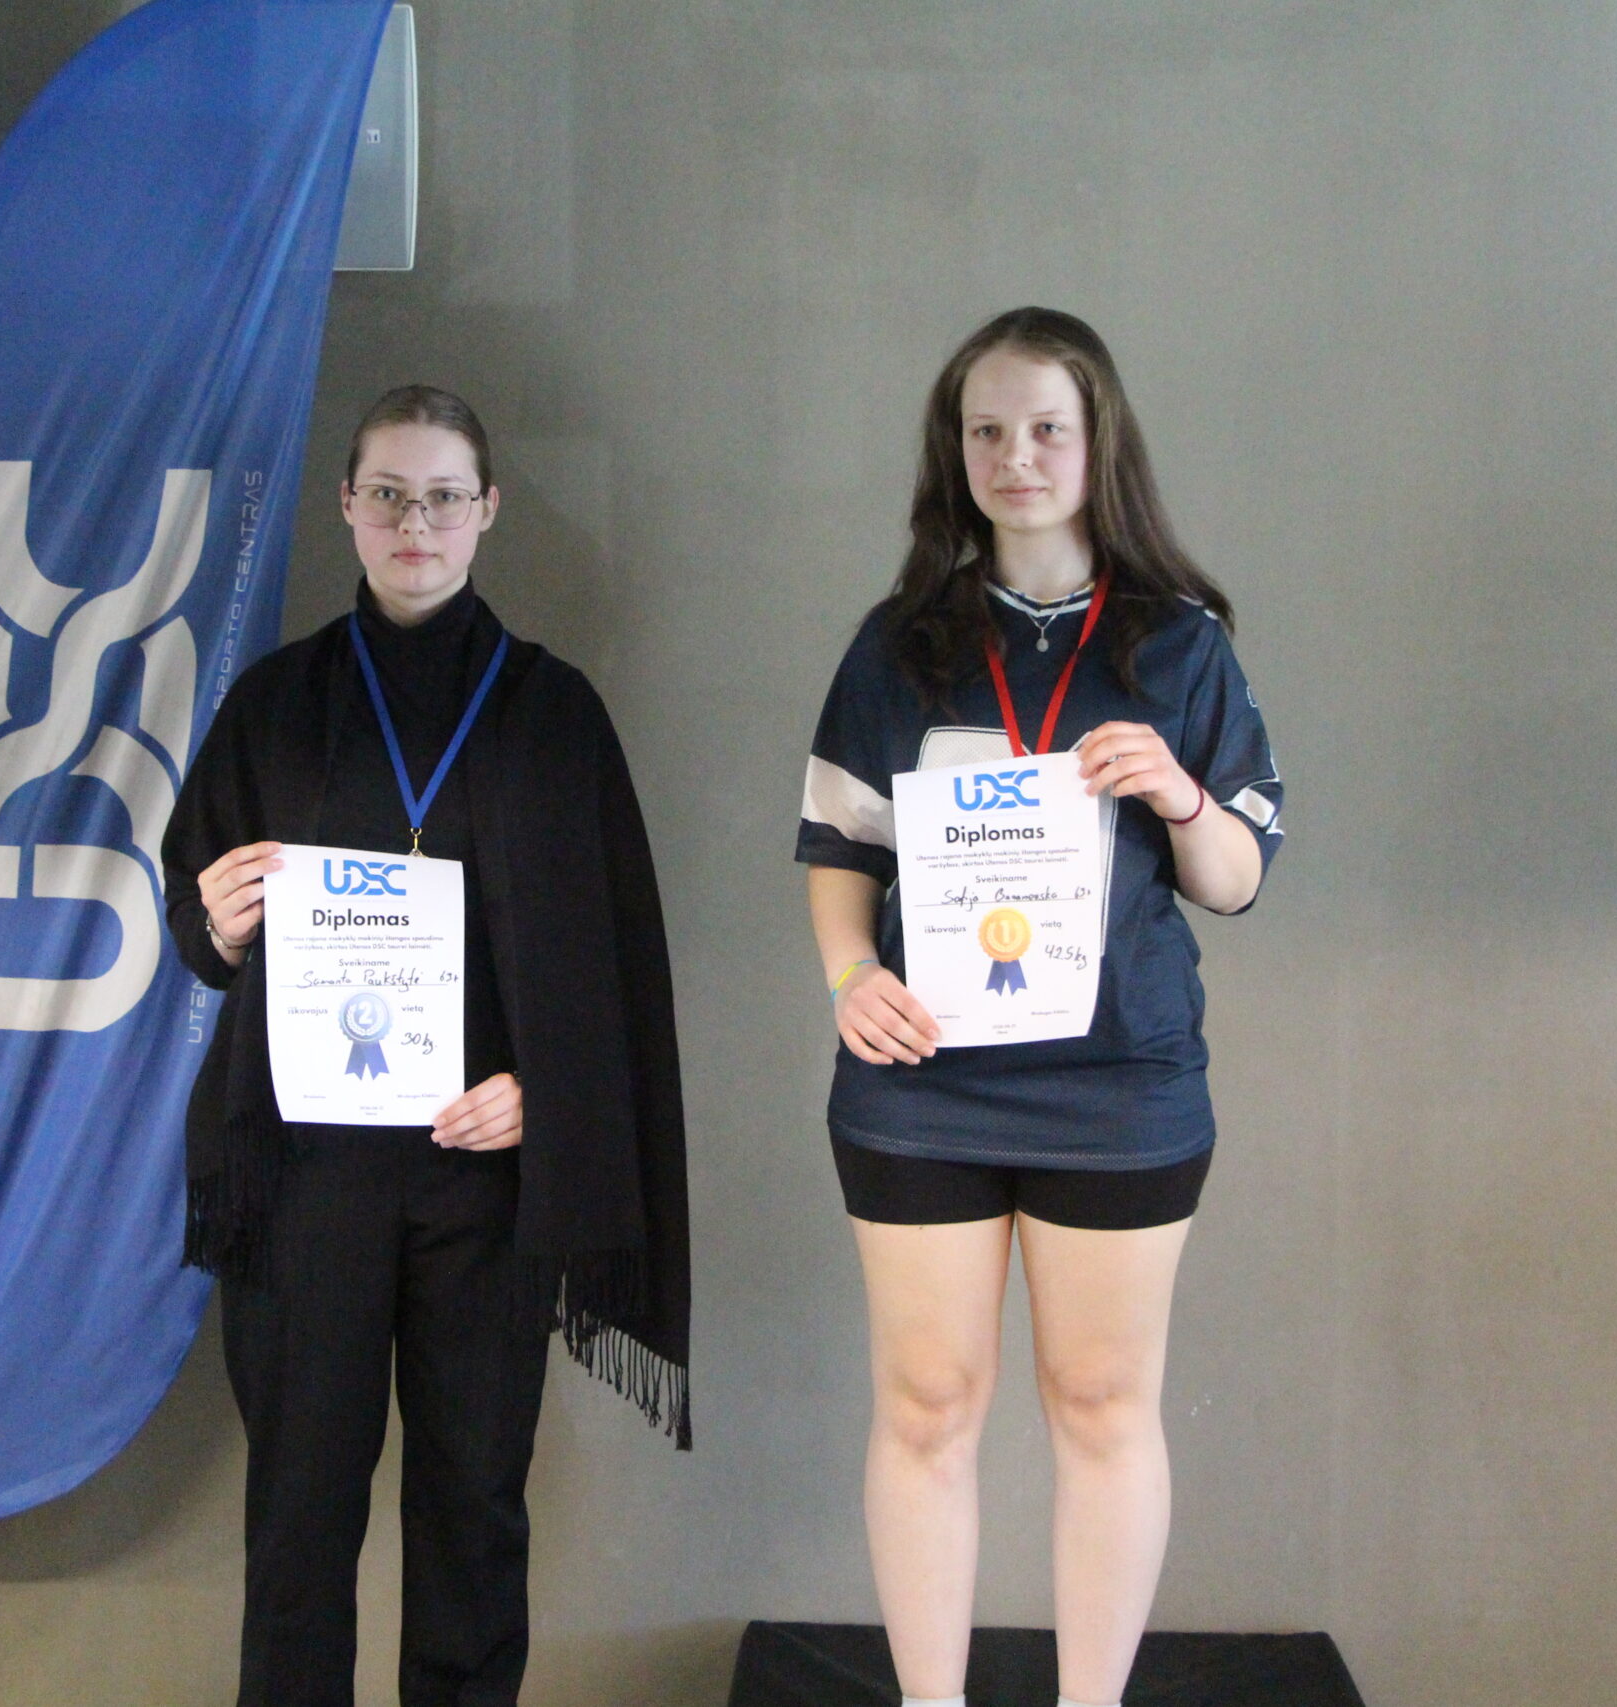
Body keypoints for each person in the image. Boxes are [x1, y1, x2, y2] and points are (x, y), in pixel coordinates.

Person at [163, 385, 691, 1707]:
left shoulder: (554, 714)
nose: (416, 522)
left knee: (473, 1513)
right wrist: (213, 923)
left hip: (484, 1178)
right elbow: (198, 927)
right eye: (389, 495)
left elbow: (616, 962)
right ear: (348, 506)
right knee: (299, 1518)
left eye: (443, 496)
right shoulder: (275, 705)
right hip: (305, 1177)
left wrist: (545, 1094)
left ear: (487, 511)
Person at [796, 308, 1284, 1707]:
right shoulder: (898, 645)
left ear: (1097, 443)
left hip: (1118, 1086)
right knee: (927, 1405)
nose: (1017, 454)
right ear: (955, 453)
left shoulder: (1180, 647)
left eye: (1047, 428)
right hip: (924, 1083)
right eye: (988, 430)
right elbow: (838, 851)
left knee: (1103, 1406)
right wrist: (852, 980)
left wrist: (1177, 794)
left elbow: (1238, 880)